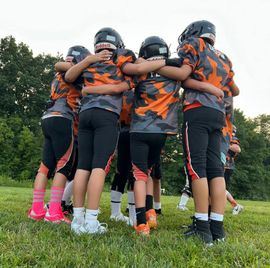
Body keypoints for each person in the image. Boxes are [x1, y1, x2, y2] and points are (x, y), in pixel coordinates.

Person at [83, 35, 226, 236]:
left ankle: (141, 223)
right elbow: (195, 83)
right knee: (149, 171)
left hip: (139, 130)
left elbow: (127, 76)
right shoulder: (175, 76)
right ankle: (151, 213)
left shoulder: (139, 73)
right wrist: (212, 88)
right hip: (161, 132)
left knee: (139, 175)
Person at [65, 28, 169, 235]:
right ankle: (91, 221)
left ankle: (77, 219)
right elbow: (127, 79)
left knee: (83, 167)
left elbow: (69, 76)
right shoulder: (122, 57)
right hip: (107, 115)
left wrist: (87, 69)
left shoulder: (89, 60)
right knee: (99, 167)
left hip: (85, 115)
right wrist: (165, 63)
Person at [157, 20, 239, 245]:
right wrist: (216, 85)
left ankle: (203, 227)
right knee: (216, 171)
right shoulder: (224, 57)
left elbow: (183, 73)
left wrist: (155, 65)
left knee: (197, 168)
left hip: (198, 110)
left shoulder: (194, 45)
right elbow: (235, 90)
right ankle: (218, 228)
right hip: (218, 114)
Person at [27, 46, 99, 223]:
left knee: (45, 167)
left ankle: (36, 210)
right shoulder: (77, 73)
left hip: (47, 118)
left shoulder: (57, 74)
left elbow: (59, 64)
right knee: (63, 166)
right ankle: (54, 212)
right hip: (63, 119)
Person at [110, 89, 136, 225]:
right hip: (136, 131)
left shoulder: (122, 90)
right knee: (134, 172)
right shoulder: (142, 90)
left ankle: (115, 212)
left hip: (122, 131)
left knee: (121, 171)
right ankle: (132, 216)